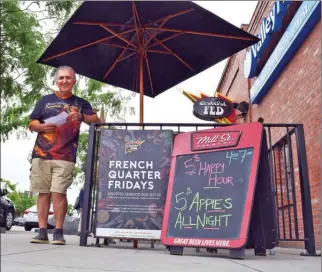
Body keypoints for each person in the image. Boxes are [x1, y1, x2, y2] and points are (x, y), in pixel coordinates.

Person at [28, 66, 101, 245]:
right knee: (43, 192)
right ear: (56, 80)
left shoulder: (81, 102)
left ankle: (59, 231)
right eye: (61, 78)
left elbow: (97, 120)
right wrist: (42, 127)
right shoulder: (44, 101)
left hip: (66, 155)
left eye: (68, 78)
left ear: (74, 81)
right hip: (41, 154)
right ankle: (42, 231)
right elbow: (32, 123)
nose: (64, 81)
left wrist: (81, 116)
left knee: (59, 192)